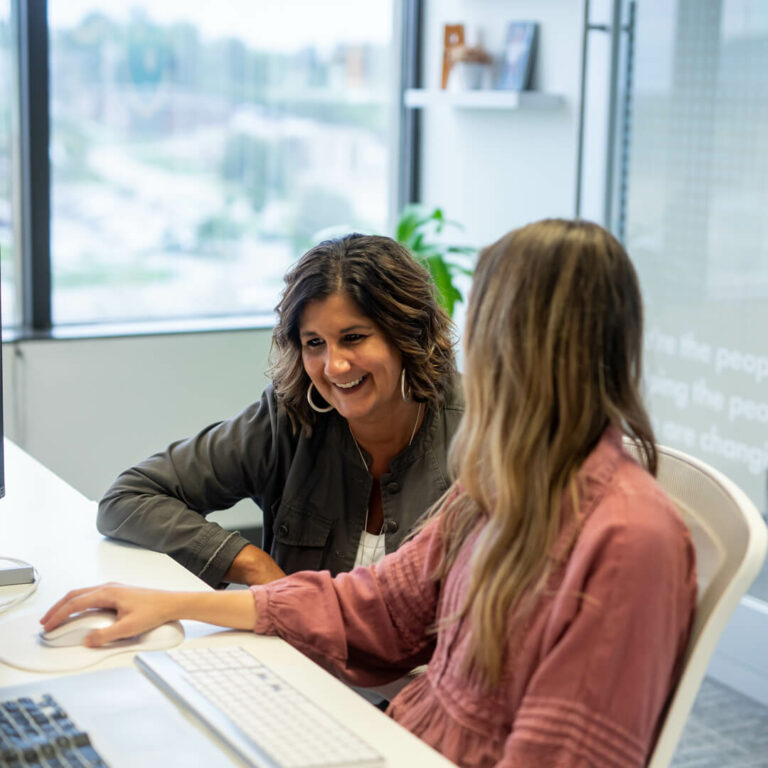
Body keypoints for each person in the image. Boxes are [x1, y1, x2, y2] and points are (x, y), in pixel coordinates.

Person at [44, 219, 697, 768]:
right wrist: (175, 603)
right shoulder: (507, 479)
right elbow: (379, 607)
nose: (335, 365)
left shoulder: (629, 537)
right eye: (316, 344)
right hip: (380, 734)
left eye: (484, 333)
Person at [96, 233, 462, 587]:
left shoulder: (483, 427)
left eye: (353, 338)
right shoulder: (287, 418)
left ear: (408, 335)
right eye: (314, 343)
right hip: (292, 651)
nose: (333, 366)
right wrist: (253, 565)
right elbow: (129, 497)